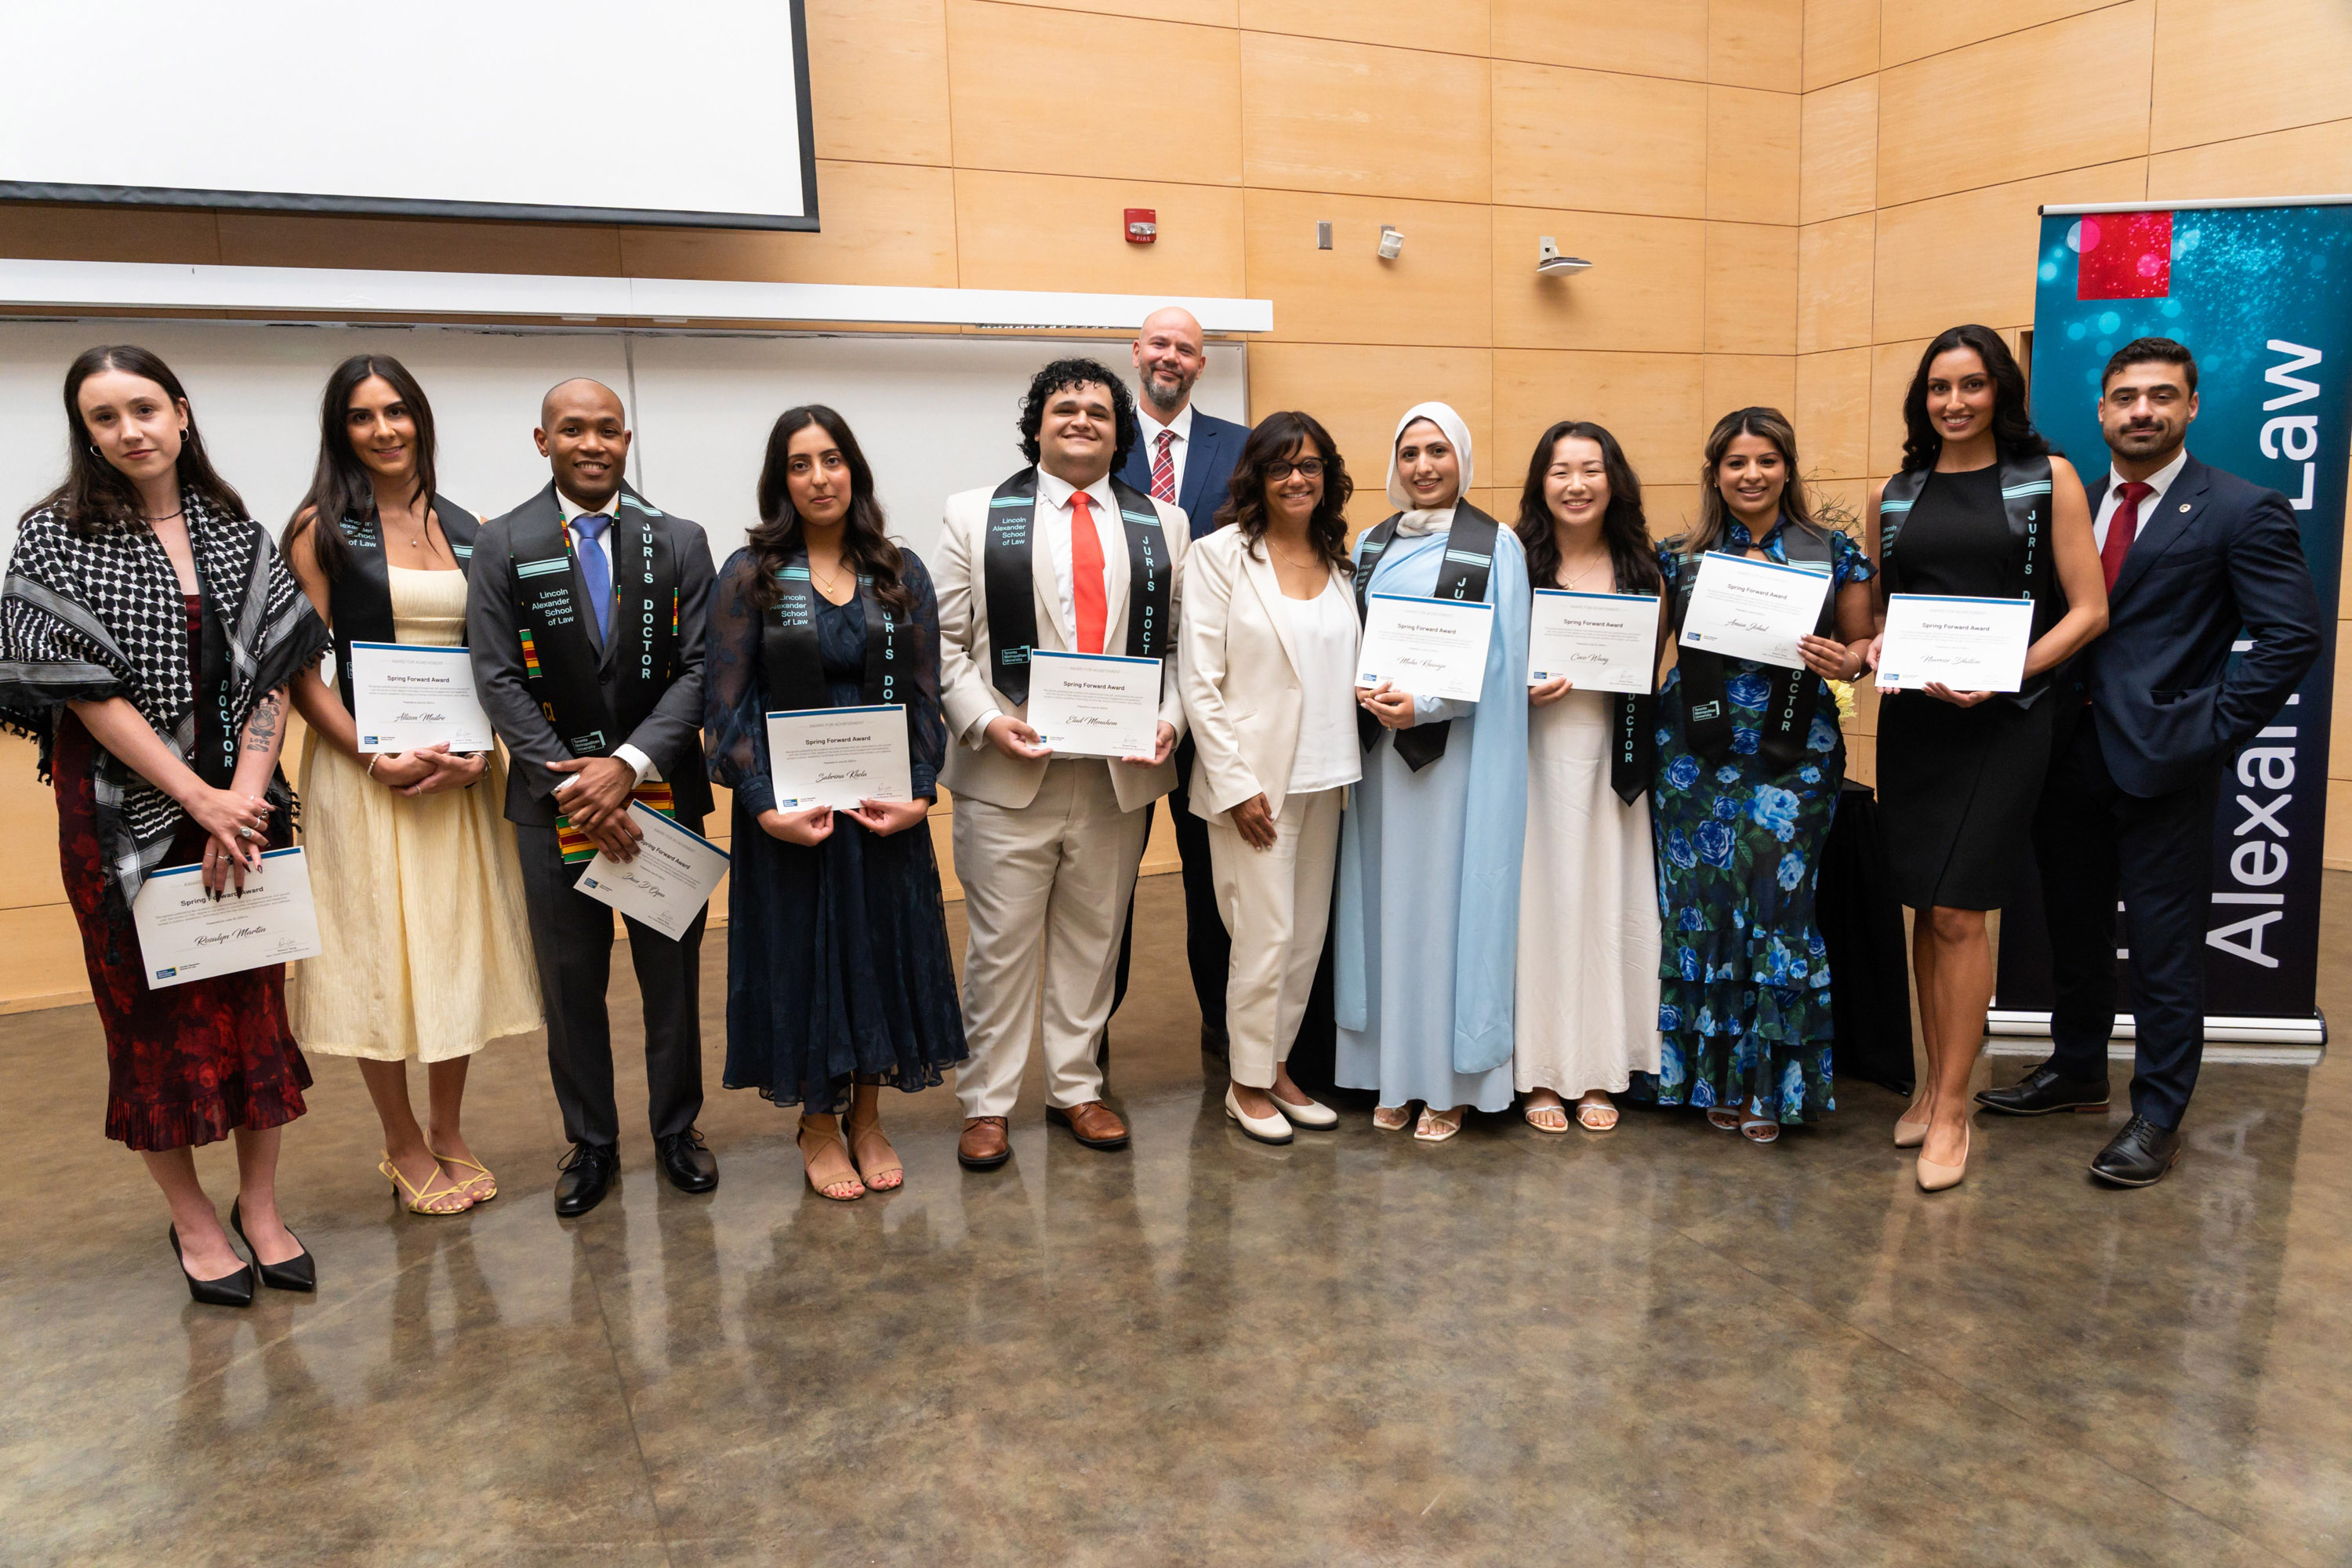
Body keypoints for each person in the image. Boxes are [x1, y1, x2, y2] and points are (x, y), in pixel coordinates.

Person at [0, 345, 329, 1305]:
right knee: (152, 1022)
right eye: (103, 417)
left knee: (254, 1009)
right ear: (87, 434)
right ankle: (192, 1218)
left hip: (245, 810)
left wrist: (248, 796)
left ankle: (260, 1208)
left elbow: (272, 674)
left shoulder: (237, 529)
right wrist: (201, 798)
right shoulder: (52, 538)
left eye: (143, 407)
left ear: (181, 413)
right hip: (121, 818)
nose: (128, 430)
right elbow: (84, 694)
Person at [1980, 337, 2323, 1187]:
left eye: (2161, 396)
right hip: (2065, 753)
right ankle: (2077, 1069)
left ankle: (2159, 1112)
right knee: (2074, 925)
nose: (2142, 410)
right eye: (2126, 396)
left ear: (2191, 406)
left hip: (2168, 760)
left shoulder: (2244, 507)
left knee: (2165, 946)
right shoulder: (2075, 501)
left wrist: (2204, 728)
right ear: (2100, 410)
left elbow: (2291, 637)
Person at [284, 354, 543, 1218]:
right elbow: (299, 671)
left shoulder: (469, 526)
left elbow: (493, 659)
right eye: (363, 417)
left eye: (397, 411)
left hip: (461, 773)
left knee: (450, 942)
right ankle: (399, 1139)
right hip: (369, 776)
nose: (384, 429)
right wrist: (369, 754)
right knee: (381, 955)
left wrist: (485, 747)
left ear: (420, 419)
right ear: (340, 431)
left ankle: (448, 1125)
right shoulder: (321, 528)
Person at [466, 378, 720, 1218]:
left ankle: (678, 1130)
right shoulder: (504, 542)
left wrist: (630, 763)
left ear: (626, 439)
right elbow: (496, 675)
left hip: (660, 799)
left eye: (607, 430)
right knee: (570, 986)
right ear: (543, 441)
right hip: (554, 809)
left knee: (670, 980)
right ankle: (594, 1142)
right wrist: (580, 782)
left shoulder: (679, 540)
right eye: (572, 429)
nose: (591, 443)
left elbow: (699, 668)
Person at [704, 406, 967, 1200]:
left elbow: (926, 691)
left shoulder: (900, 570)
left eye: (832, 459)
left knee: (879, 951)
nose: (819, 478)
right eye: (799, 463)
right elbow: (728, 701)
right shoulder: (750, 573)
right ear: (780, 480)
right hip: (793, 820)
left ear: (854, 468)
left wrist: (921, 790)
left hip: (881, 813)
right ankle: (817, 1122)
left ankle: (867, 1115)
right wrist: (761, 803)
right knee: (804, 958)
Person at [1865, 326, 2107, 1191]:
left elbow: (2087, 611)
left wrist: (2008, 672)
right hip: (1919, 727)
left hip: (2009, 722)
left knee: (1964, 912)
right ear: (1922, 399)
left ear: (1999, 391)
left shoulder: (2048, 480)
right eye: (1939, 387)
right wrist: (1876, 648)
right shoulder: (1895, 493)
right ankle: (1934, 1083)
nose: (1955, 402)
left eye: (1971, 385)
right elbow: (1894, 612)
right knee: (1926, 909)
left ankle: (1958, 1107)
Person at [934, 358, 1189, 1170]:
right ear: (1037, 425)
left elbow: (1183, 649)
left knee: (1093, 942)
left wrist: (1171, 721)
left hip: (1117, 776)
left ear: (1121, 433)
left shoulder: (1165, 524)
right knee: (999, 947)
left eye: (1099, 412)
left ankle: (1077, 1087)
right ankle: (987, 1103)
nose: (1081, 420)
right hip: (1011, 769)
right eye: (1064, 408)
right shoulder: (975, 515)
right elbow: (940, 642)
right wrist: (982, 720)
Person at [1641, 408, 1875, 1145]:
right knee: (1704, 906)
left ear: (1787, 468)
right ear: (1715, 472)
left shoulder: (1831, 551)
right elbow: (1642, 651)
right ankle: (1707, 1077)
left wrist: (1854, 658)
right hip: (1694, 754)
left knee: (1778, 905)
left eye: (1766, 461)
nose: (1752, 475)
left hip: (1794, 757)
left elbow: (1863, 639)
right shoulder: (1674, 557)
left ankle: (1772, 1085)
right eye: (1737, 462)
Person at [1334, 402, 1530, 1142]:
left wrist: (1430, 702)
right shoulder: (1371, 543)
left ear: (1464, 460)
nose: (1423, 466)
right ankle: (1393, 1069)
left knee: (1451, 907)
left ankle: (1449, 1083)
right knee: (1390, 905)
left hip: (1460, 760)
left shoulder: (1497, 545)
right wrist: (1363, 685)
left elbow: (1503, 658)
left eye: (1438, 452)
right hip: (1385, 762)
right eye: (1410, 452)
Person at [1176, 410, 1358, 1143]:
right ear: (1257, 475)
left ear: (1327, 477)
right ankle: (1244, 1083)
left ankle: (1278, 1069)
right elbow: (1200, 682)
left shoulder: (1338, 558)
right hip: (1255, 784)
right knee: (1262, 934)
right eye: (1282, 465)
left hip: (1329, 774)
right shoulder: (1220, 556)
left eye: (1310, 465)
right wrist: (1234, 785)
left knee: (1305, 937)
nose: (1296, 478)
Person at [1512, 422, 1666, 1134]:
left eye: (1591, 469)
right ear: (1541, 483)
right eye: (1561, 470)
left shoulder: (1644, 567)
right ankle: (1541, 1070)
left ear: (1615, 481)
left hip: (1616, 762)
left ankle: (1602, 1068)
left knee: (1608, 907)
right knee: (1540, 909)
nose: (1576, 484)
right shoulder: (1513, 562)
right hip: (1535, 758)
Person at [1111, 306, 1250, 1058]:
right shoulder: (1099, 436)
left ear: (1202, 365)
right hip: (1116, 696)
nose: (1171, 357)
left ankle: (1227, 1030)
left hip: (1216, 696)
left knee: (1210, 876)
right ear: (1137, 352)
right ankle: (1087, 1045)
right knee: (1108, 887)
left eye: (1186, 349)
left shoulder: (1242, 448)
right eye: (1160, 343)